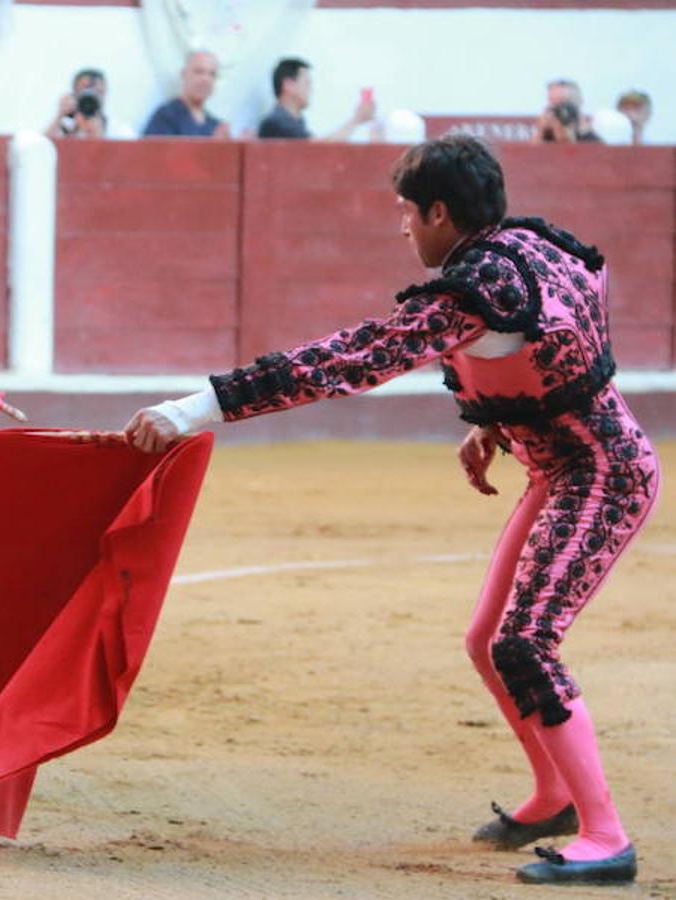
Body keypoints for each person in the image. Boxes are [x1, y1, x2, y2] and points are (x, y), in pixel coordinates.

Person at [124, 134, 657, 886]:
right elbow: (571, 329)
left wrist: (194, 408)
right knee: (488, 640)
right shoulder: (531, 248)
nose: (402, 227)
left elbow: (348, 360)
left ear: (440, 212)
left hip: (602, 476)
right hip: (563, 467)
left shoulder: (479, 288)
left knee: (526, 644)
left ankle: (608, 838)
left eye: (407, 212)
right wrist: (493, 418)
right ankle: (555, 796)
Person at [258, 57, 375, 141]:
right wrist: (356, 120)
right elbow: (317, 150)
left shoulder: (294, 122)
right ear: (288, 85)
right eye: (307, 83)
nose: (310, 90)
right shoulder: (277, 122)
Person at [141, 50, 230, 139]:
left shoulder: (215, 126)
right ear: (184, 75)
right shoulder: (166, 117)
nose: (205, 79)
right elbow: (154, 152)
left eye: (212, 74)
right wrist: (212, 146)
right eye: (199, 72)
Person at [44, 68, 135, 141]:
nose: (91, 98)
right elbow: (42, 151)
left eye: (97, 92)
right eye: (85, 91)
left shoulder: (119, 130)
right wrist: (60, 117)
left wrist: (97, 135)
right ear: (74, 93)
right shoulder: (65, 127)